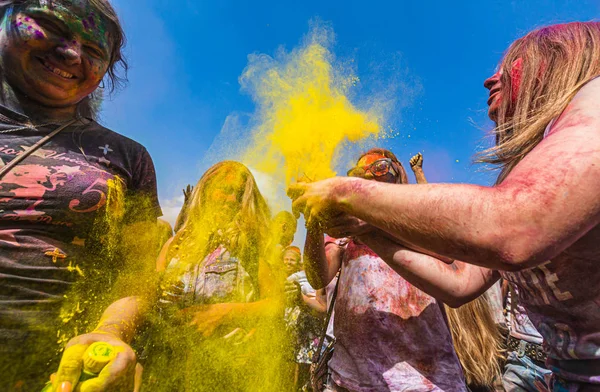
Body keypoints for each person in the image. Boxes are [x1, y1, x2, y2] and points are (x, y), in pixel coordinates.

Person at [289, 22, 600, 389]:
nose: (490, 79)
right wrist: (365, 228)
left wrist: (347, 193)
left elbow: (516, 224)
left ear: (564, 63)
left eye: (514, 63)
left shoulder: (595, 99)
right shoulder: (516, 172)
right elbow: (459, 284)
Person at [0, 0, 161, 390]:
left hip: (63, 375)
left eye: (93, 51)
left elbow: (138, 272)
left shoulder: (128, 158)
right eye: (49, 25)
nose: (71, 54)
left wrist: (112, 331)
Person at [53, 161, 285, 392]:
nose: (232, 200)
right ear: (205, 192)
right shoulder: (177, 243)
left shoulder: (249, 247)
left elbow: (276, 305)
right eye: (225, 190)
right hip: (165, 366)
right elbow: (144, 295)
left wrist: (222, 313)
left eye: (239, 194)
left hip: (226, 369)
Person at [303, 148, 466, 392]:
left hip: (423, 381)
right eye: (360, 172)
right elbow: (318, 277)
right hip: (348, 381)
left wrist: (372, 226)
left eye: (379, 167)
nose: (369, 176)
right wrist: (313, 220)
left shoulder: (420, 219)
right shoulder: (344, 232)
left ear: (397, 171)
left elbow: (447, 255)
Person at [282, 245, 325, 391]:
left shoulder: (322, 278)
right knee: (292, 365)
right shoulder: (298, 276)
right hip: (299, 325)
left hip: (314, 328)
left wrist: (303, 299)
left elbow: (322, 307)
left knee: (308, 369)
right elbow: (287, 287)